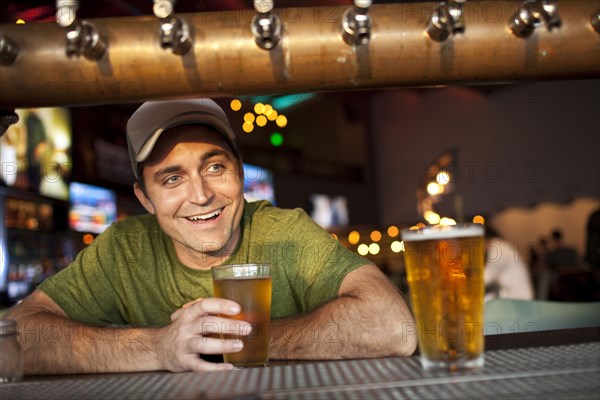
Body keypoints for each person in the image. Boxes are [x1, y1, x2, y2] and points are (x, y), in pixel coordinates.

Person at [6, 99, 416, 375]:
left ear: (239, 172)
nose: (201, 195)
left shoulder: (283, 231)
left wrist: (243, 337)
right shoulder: (123, 249)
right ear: (144, 198)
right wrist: (159, 347)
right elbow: (14, 337)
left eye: (215, 167)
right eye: (171, 178)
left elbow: (395, 328)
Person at [484, 228, 535, 301]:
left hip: (520, 301)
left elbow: (485, 278)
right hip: (514, 299)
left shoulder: (499, 248)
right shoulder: (503, 246)